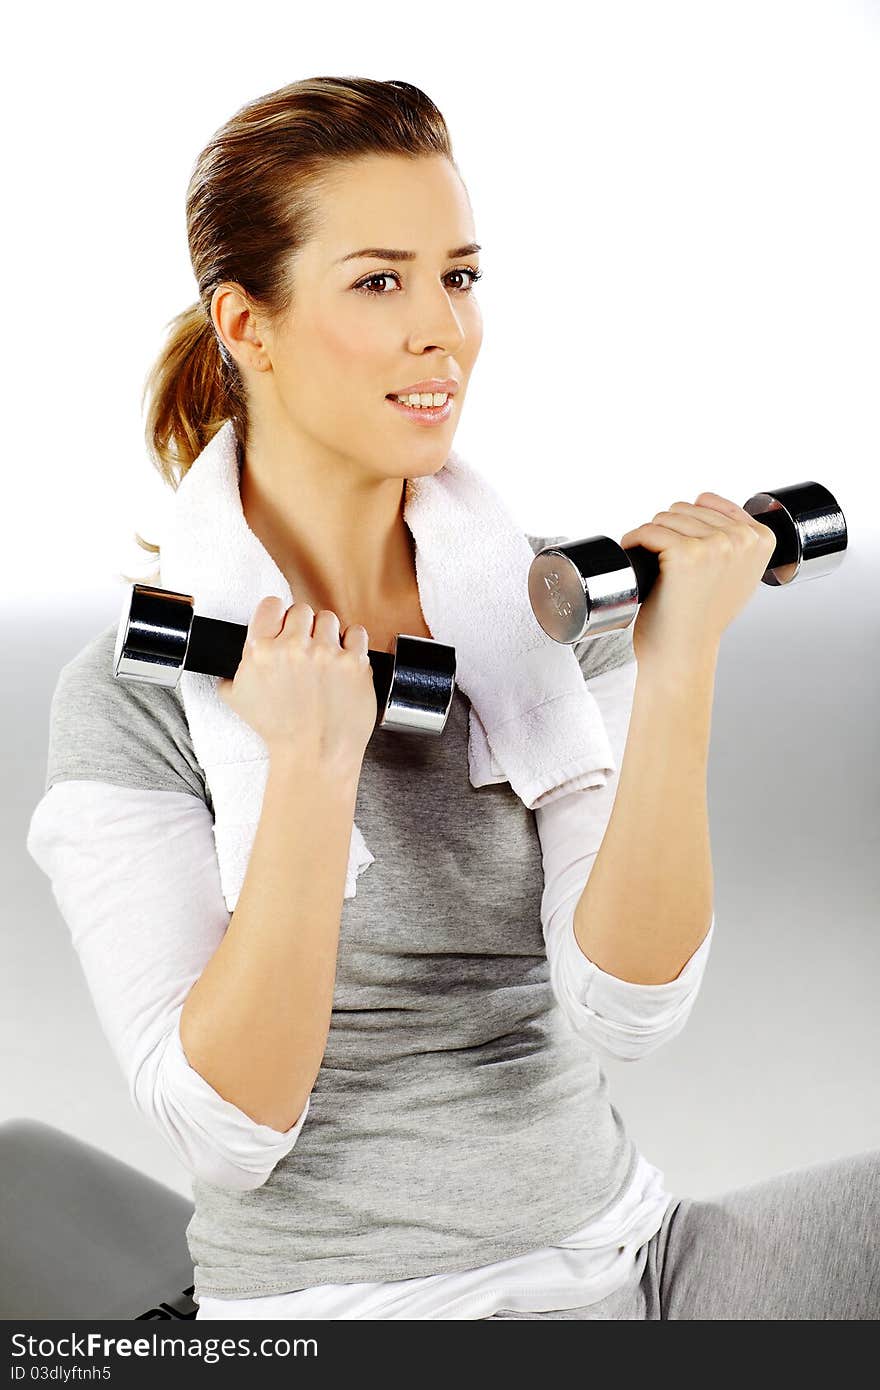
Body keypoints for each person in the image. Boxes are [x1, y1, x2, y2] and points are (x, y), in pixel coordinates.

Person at [26, 76, 879, 1320]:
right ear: (246, 323)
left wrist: (678, 659)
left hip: (639, 1259)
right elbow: (227, 1129)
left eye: (459, 277)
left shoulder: (537, 615)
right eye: (379, 281)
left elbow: (628, 1008)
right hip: (357, 1309)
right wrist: (311, 770)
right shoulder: (134, 696)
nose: (444, 331)